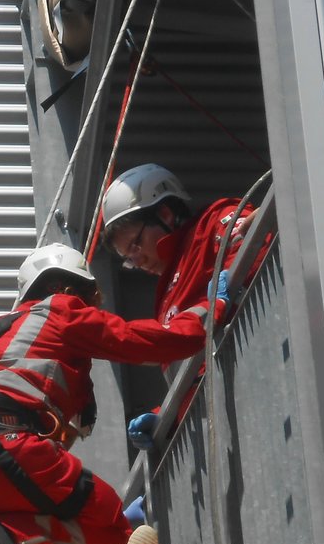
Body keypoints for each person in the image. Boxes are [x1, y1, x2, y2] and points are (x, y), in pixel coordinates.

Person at [0, 243, 233, 544]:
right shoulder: (60, 310)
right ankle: (28, 542)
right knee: (109, 530)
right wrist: (210, 309)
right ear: (63, 288)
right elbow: (152, 341)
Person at [98, 163, 272, 451]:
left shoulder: (213, 222)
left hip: (255, 386)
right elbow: (186, 377)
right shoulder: (165, 296)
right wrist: (164, 418)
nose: (136, 260)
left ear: (165, 214)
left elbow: (256, 251)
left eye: (136, 244)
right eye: (127, 255)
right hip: (219, 428)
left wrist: (222, 297)